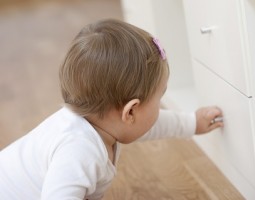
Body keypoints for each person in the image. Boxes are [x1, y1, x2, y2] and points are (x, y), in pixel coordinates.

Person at [0, 19, 223, 199]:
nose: (159, 106)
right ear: (130, 112)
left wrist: (192, 122)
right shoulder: (79, 152)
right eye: (160, 97)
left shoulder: (104, 121)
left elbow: (152, 123)